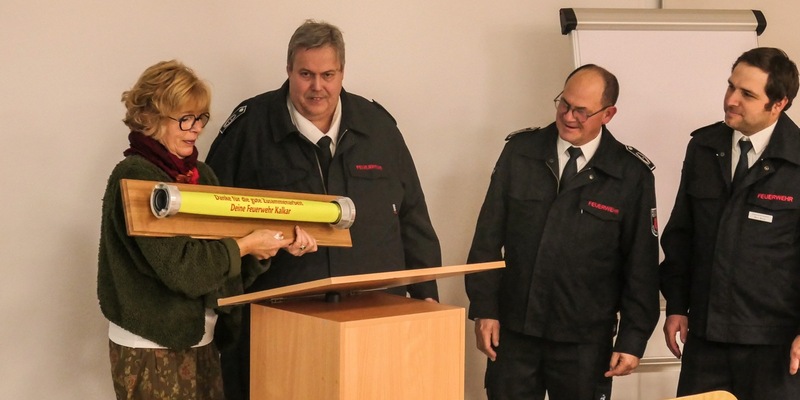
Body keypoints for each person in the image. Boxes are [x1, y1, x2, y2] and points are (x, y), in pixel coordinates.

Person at [205, 20, 441, 400]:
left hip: (374, 320)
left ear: (342, 72)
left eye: (328, 75)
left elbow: (412, 216)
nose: (318, 87)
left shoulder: (378, 127)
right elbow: (211, 218)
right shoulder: (249, 129)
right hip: (278, 322)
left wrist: (426, 294)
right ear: (288, 70)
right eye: (306, 74)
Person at [97, 60, 317, 400]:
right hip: (152, 345)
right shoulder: (136, 175)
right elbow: (183, 270)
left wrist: (267, 248)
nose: (196, 128)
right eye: (185, 118)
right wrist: (245, 245)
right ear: (150, 117)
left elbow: (225, 273)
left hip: (203, 340)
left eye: (200, 118)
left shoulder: (201, 176)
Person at [464, 64, 660, 400]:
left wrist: (633, 339)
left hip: (584, 342)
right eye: (564, 104)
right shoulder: (521, 152)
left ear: (608, 114)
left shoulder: (631, 175)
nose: (569, 116)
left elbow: (641, 265)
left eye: (581, 111)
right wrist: (485, 309)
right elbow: (486, 238)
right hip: (515, 331)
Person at [660, 47, 800, 400]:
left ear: (779, 103)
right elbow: (681, 236)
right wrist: (676, 305)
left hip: (775, 346)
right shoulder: (703, 147)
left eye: (747, 94)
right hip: (705, 338)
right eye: (731, 86)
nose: (731, 100)